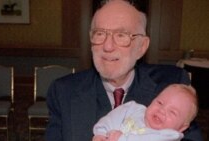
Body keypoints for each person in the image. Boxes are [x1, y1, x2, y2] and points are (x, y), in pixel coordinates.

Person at [45, 0, 203, 141]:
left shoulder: (173, 84)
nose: (107, 46)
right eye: (100, 34)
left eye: (121, 35)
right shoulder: (63, 91)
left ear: (141, 47)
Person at [93, 84, 198, 141]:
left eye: (172, 112)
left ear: (182, 128)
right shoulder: (134, 109)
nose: (161, 110)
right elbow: (113, 117)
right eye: (160, 102)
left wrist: (121, 138)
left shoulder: (169, 136)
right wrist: (101, 133)